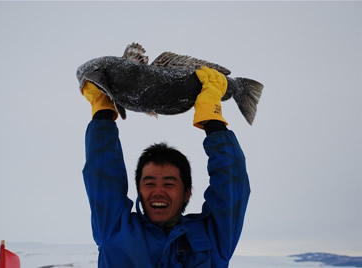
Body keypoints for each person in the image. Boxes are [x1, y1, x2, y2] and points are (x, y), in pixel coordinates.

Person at [81, 66, 250, 267]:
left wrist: (213, 121)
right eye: (149, 183)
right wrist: (102, 113)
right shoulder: (115, 230)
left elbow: (231, 183)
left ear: (187, 193)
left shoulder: (213, 236)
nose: (158, 191)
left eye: (169, 184)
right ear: (140, 190)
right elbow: (102, 173)